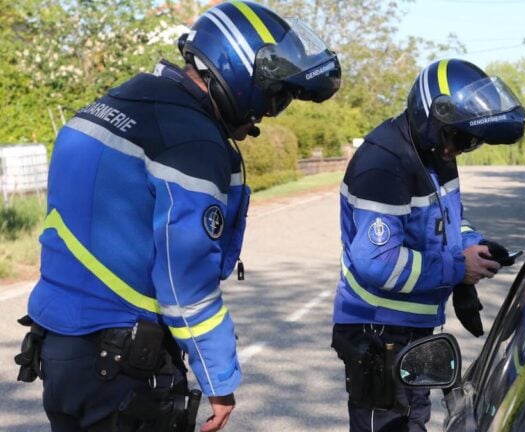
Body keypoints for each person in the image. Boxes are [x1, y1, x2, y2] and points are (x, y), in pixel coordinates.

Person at [14, 2, 340, 431]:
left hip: (58, 350)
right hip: (120, 365)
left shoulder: (114, 104)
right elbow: (185, 284)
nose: (270, 110)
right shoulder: (188, 140)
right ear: (242, 72)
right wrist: (219, 379)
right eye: (275, 94)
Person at [331, 58, 525, 431]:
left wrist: (475, 246)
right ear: (432, 117)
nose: (463, 148)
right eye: (460, 138)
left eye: (472, 141)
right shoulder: (385, 165)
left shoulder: (436, 150)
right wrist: (457, 268)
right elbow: (377, 263)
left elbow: (449, 221)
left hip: (413, 328)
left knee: (414, 422)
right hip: (379, 330)